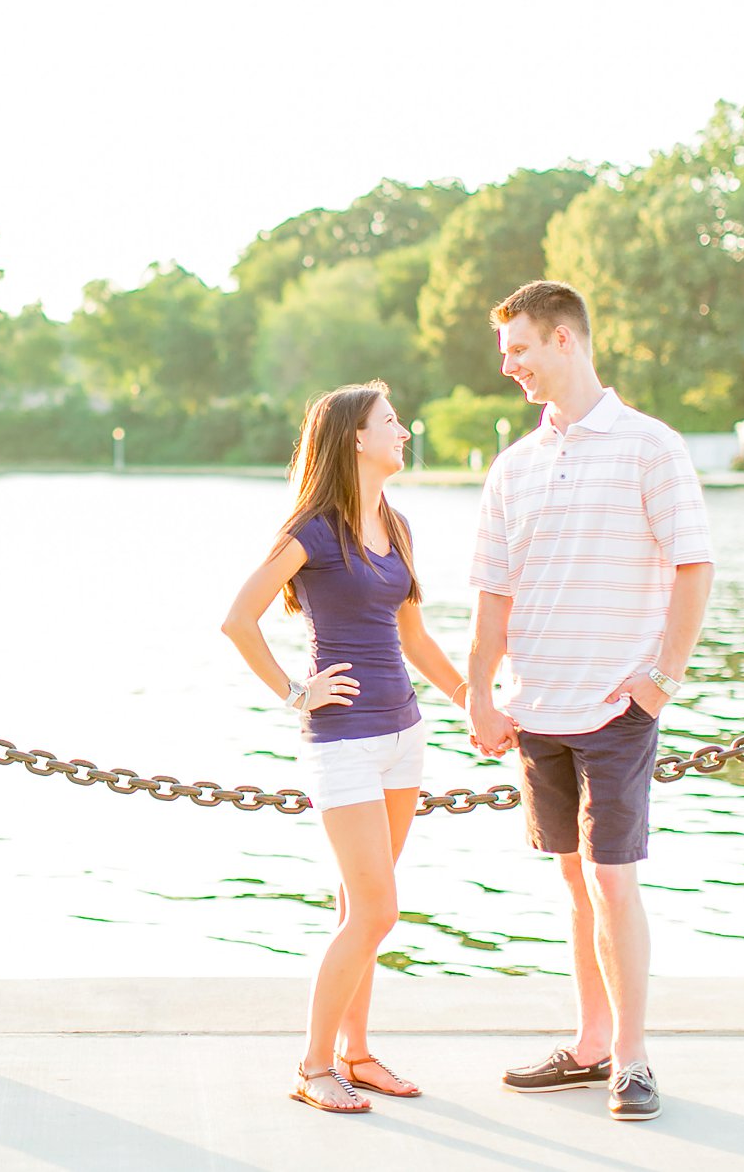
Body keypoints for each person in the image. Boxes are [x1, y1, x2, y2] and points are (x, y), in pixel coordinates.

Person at [464, 281, 714, 1122]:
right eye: (506, 354)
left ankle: (634, 1059)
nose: (510, 367)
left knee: (612, 881)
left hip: (616, 713)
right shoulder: (514, 466)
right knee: (575, 886)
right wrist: (478, 692)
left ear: (565, 339)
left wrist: (660, 680)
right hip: (537, 712)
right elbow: (493, 595)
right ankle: (590, 1043)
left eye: (520, 349)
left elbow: (693, 566)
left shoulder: (652, 447)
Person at [222, 380, 472, 1114]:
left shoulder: (397, 524)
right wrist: (295, 691)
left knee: (361, 904)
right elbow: (239, 619)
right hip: (343, 743)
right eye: (391, 422)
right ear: (356, 439)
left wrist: (475, 704)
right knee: (375, 908)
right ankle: (312, 1065)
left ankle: (357, 1054)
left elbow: (415, 636)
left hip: (404, 734)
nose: (403, 430)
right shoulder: (314, 529)